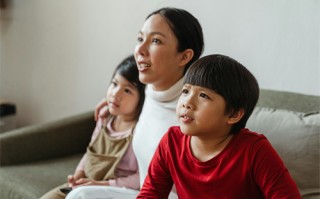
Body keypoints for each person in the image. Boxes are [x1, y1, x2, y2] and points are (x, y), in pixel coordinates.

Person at [66, 7, 204, 199]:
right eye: (140, 39)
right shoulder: (150, 89)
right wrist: (111, 101)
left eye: (155, 41)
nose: (140, 49)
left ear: (184, 56)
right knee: (77, 195)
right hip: (142, 192)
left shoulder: (195, 111)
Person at [137, 54, 301, 198]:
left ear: (233, 114)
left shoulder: (255, 151)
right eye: (186, 91)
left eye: (203, 95)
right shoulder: (172, 141)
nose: (187, 102)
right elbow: (150, 194)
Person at [40, 54, 145, 199]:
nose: (115, 94)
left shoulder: (141, 131)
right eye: (114, 84)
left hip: (113, 190)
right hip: (86, 183)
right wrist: (78, 174)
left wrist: (100, 185)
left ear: (143, 99)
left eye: (127, 90)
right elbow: (91, 152)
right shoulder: (106, 117)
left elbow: (140, 178)